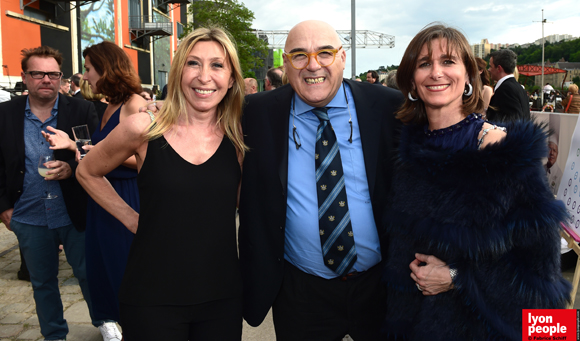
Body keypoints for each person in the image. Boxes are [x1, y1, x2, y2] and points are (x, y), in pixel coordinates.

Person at [382, 23, 570, 340]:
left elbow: (542, 274)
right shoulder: (409, 152)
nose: (436, 73)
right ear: (411, 81)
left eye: (448, 61)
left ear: (469, 75)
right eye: (424, 63)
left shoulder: (505, 154)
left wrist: (458, 276)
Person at [76, 27, 246, 340]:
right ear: (178, 71)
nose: (204, 76)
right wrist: (129, 217)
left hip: (221, 298)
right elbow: (87, 171)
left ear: (231, 78)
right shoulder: (144, 125)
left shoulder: (238, 138)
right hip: (151, 297)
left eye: (217, 65)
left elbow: (245, 204)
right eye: (193, 63)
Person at [239, 20, 403, 340]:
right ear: (286, 64)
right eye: (299, 55)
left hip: (380, 287)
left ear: (342, 57)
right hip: (301, 293)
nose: (313, 65)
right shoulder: (255, 112)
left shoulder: (387, 107)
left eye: (325, 53)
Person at [0, 45, 99, 341]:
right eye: (38, 73)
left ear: (61, 77)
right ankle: (54, 335)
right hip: (28, 216)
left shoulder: (81, 109)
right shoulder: (5, 114)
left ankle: (107, 325)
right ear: (24, 77)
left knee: (89, 277)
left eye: (53, 74)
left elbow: (95, 154)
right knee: (42, 282)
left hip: (74, 212)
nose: (46, 79)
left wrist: (71, 167)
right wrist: (3, 207)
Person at [486, 48, 530, 122]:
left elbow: (510, 122)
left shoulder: (505, 89)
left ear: (499, 68)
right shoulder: (518, 87)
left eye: (490, 66)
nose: (488, 70)